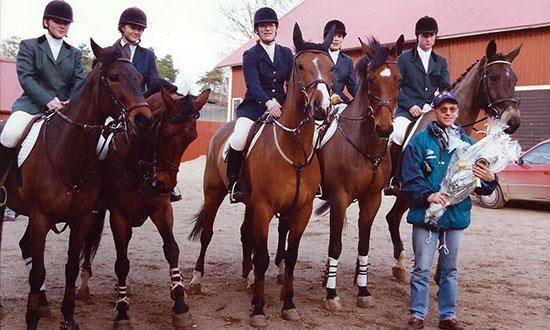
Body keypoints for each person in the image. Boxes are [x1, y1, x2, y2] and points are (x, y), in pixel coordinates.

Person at [0, 0, 83, 296]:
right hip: (32, 105)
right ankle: (2, 188)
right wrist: (48, 99)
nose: (63, 25)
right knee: (10, 133)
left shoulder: (75, 53)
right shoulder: (28, 46)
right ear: (46, 22)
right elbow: (26, 78)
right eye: (58, 21)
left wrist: (69, 104)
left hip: (65, 110)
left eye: (66, 23)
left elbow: (79, 81)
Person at [401, 91, 498, 330]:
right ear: (435, 111)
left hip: (455, 217)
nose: (447, 113)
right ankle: (418, 314)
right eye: (443, 109)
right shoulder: (419, 142)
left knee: (450, 270)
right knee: (421, 268)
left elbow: (482, 185)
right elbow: (409, 179)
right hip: (425, 216)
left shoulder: (469, 145)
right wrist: (428, 195)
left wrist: (490, 178)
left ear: (457, 112)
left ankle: (447, 316)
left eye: (452, 109)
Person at [226, 7, 294, 203]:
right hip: (254, 107)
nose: (267, 28)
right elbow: (253, 84)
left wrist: (288, 103)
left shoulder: (286, 54)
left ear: (276, 28)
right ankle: (235, 183)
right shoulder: (251, 55)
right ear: (257, 30)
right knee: (238, 139)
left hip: (282, 107)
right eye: (263, 26)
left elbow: (290, 83)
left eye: (271, 25)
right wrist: (268, 102)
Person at [116, 7, 184, 202]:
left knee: (157, 138)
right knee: (98, 145)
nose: (137, 32)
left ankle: (167, 184)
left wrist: (171, 89)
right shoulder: (110, 51)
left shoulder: (147, 55)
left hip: (137, 109)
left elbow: (153, 81)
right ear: (122, 27)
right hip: (113, 108)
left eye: (140, 29)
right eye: (133, 27)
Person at [385, 16, 451, 196]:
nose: (428, 39)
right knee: (398, 134)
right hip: (407, 111)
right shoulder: (405, 59)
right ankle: (393, 178)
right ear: (418, 36)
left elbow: (445, 87)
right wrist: (410, 105)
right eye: (425, 35)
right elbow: (395, 87)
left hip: (432, 111)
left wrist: (434, 104)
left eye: (432, 35)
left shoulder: (441, 61)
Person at [322, 19, 357, 105]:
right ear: (325, 38)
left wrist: (364, 98)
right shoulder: (319, 57)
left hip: (340, 101)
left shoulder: (348, 60)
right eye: (333, 36)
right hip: (320, 101)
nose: (336, 39)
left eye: (339, 36)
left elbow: (353, 86)